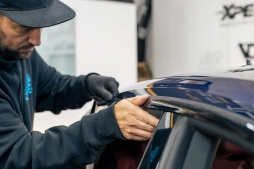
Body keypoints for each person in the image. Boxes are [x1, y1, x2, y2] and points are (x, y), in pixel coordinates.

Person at [0, 0, 159, 168]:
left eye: (40, 26)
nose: (37, 40)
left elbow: (50, 87)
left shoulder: (18, 53)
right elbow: (17, 155)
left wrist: (85, 85)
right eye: (23, 28)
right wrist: (100, 127)